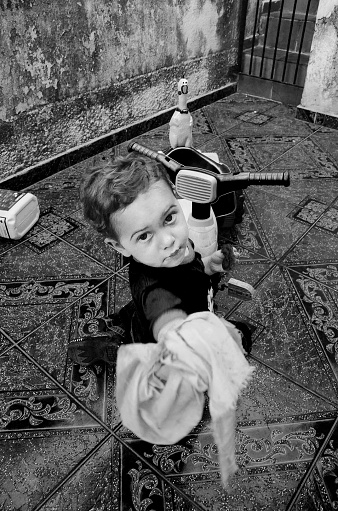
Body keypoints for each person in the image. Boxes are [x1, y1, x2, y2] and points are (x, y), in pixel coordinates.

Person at [68, 152, 252, 366]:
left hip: (183, 311)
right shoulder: (156, 294)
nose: (168, 240)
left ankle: (122, 324)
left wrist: (209, 265)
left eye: (168, 217)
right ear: (119, 246)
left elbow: (192, 269)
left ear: (177, 199)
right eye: (144, 235)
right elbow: (165, 320)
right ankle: (112, 349)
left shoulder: (175, 251)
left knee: (134, 317)